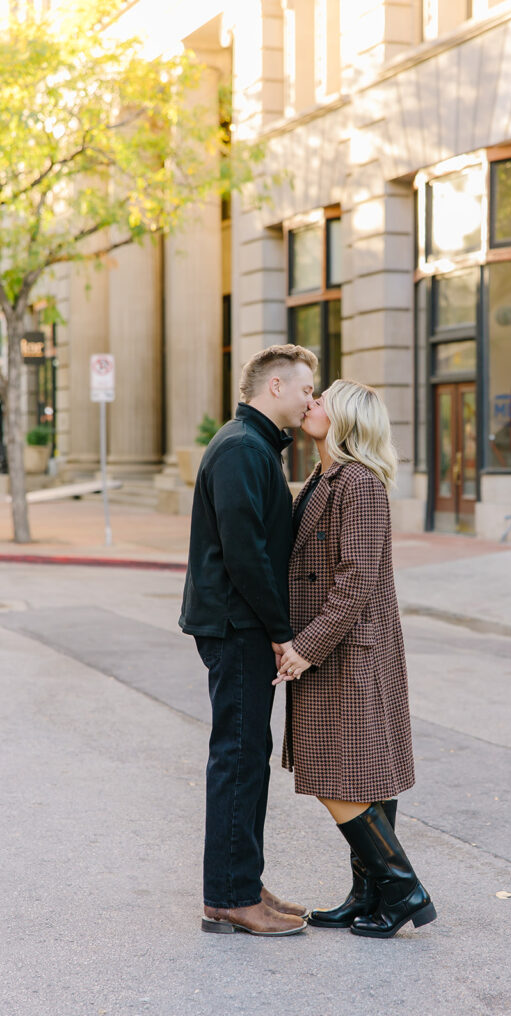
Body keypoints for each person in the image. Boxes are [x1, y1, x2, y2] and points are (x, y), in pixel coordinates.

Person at [274, 379, 436, 938]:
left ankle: (401, 887)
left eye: (322, 401)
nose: (310, 403)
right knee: (361, 771)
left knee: (338, 772)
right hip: (339, 643)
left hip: (351, 648)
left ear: (343, 421)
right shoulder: (324, 476)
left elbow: (359, 580)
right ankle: (368, 894)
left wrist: (304, 648)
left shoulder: (360, 484)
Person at [179, 343, 317, 937]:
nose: (313, 398)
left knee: (247, 759)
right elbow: (244, 553)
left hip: (243, 624)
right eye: (308, 388)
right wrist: (282, 633)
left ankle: (241, 880)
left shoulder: (255, 445)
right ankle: (231, 897)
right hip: (239, 627)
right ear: (277, 387)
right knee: (239, 760)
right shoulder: (241, 448)